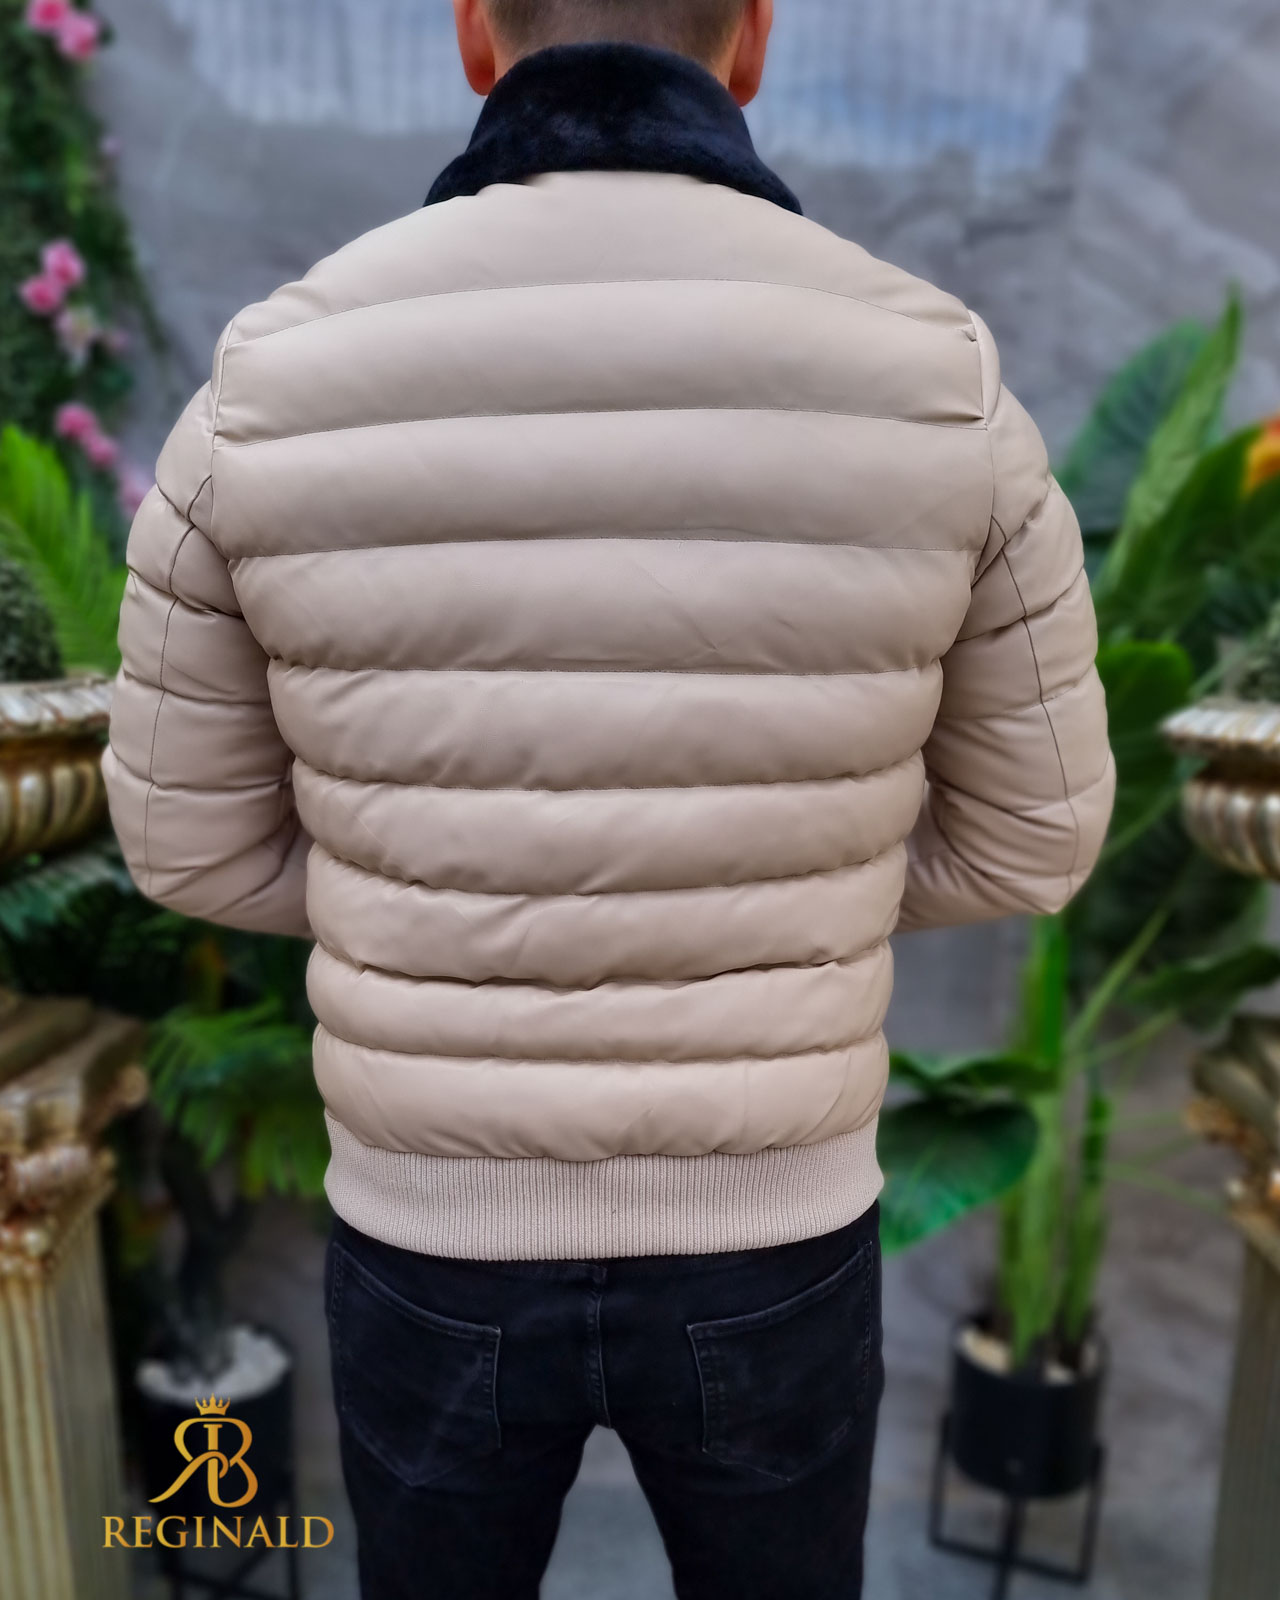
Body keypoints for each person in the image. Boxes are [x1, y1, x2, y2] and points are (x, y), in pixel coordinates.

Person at [104, 1, 1115, 1594]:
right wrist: (793, 886)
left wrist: (432, 897)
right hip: (772, 1222)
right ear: (754, 36)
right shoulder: (937, 376)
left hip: (432, 1222)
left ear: (474, 34)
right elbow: (1036, 835)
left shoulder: (274, 378)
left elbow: (181, 843)